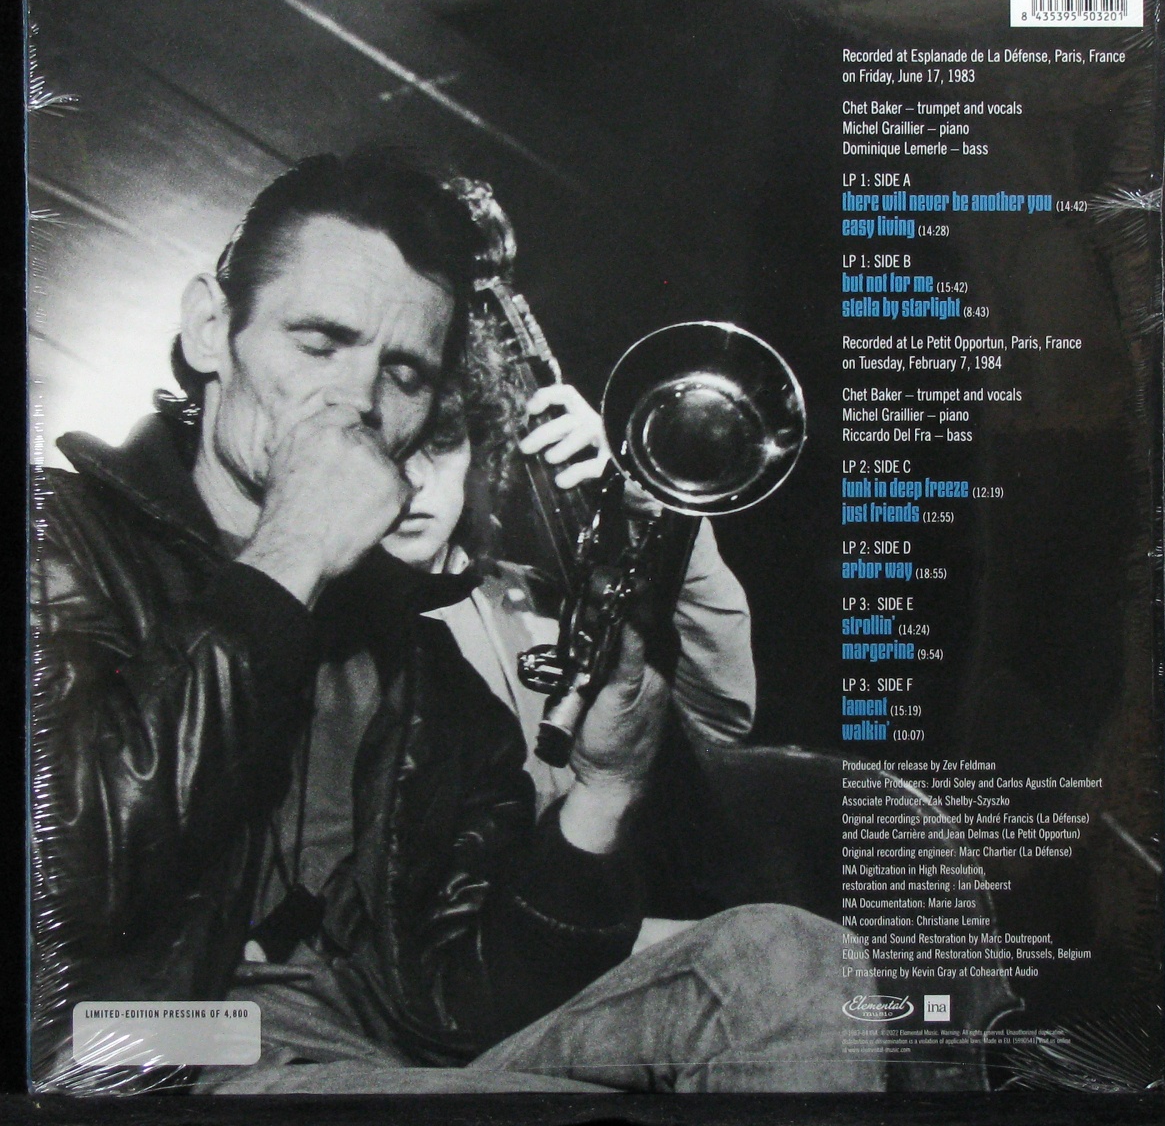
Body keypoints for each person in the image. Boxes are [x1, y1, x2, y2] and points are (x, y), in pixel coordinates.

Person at [29, 148, 881, 1095]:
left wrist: (603, 793)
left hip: (384, 1061)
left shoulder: (421, 665)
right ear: (208, 329)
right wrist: (289, 553)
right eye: (318, 343)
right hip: (152, 1047)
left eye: (403, 374)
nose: (358, 403)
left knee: (794, 960)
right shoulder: (57, 538)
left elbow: (469, 1009)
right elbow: (67, 883)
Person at [381, 375, 757, 815]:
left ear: (476, 453)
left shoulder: (539, 599)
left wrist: (663, 507)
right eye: (386, 446)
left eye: (442, 440)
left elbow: (717, 724)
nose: (415, 479)